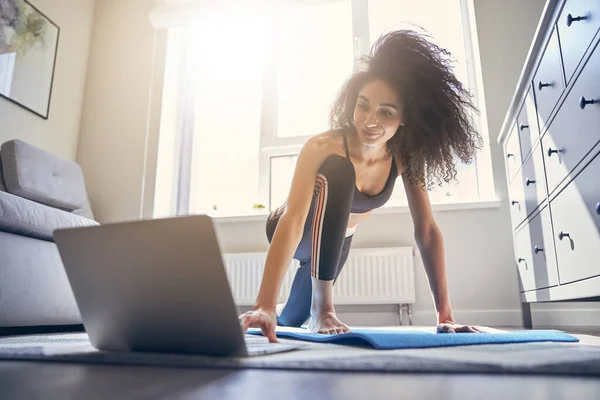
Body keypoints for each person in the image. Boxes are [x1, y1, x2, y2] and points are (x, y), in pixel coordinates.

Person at [239, 30, 485, 342]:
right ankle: (322, 309)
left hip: (337, 243)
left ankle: (298, 310)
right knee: (339, 172)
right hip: (293, 228)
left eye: (385, 112)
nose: (369, 120)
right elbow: (294, 219)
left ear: (405, 118)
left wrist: (445, 316)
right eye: (363, 105)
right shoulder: (324, 146)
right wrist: (262, 304)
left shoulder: (404, 158)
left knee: (290, 318)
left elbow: (426, 230)